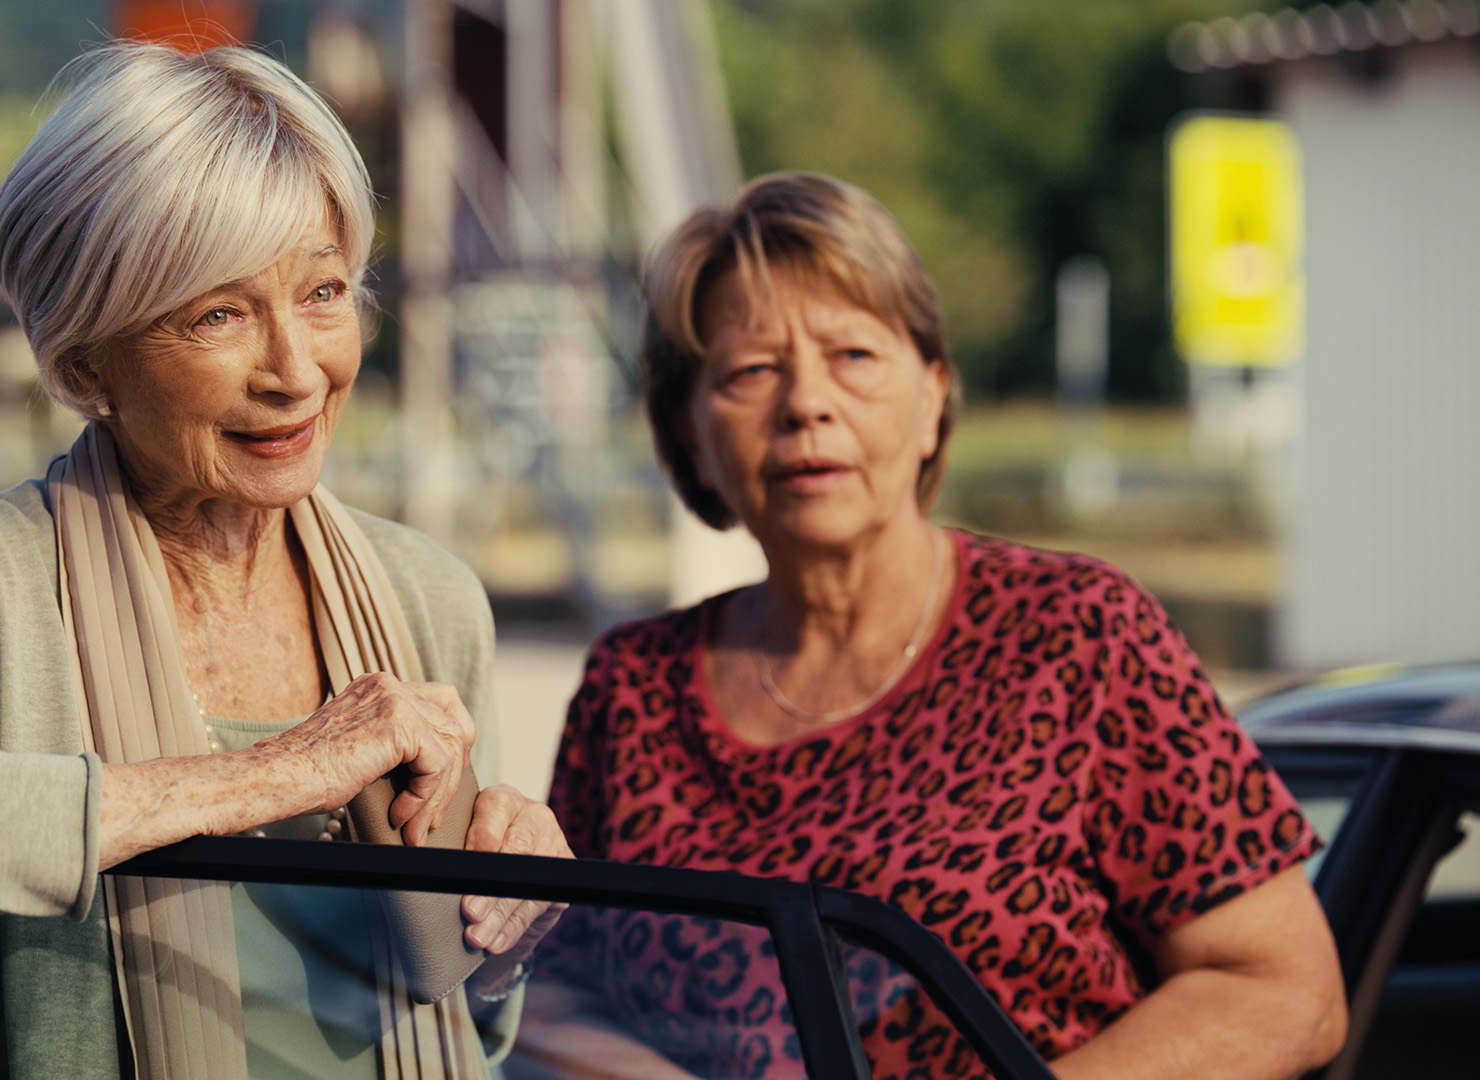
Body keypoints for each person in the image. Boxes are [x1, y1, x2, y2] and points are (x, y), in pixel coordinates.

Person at [0, 42, 569, 1080]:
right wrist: (279, 772)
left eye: (323, 292)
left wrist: (508, 924)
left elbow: (467, 1014)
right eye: (219, 314)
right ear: (85, 363)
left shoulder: (429, 596)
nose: (295, 371)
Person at [517, 173, 1346, 1080]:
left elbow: (1284, 991)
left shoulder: (1080, 636)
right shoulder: (632, 688)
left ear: (932, 398)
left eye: (853, 356)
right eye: (752, 371)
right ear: (689, 436)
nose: (806, 403)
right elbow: (547, 994)